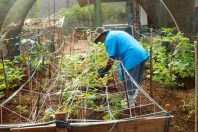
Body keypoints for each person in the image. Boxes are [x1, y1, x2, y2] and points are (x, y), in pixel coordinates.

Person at [94, 28, 150, 107]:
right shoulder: (116, 33)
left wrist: (104, 70)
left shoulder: (109, 38)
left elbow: (111, 58)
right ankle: (132, 100)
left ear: (102, 35)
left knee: (130, 80)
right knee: (135, 80)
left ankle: (130, 104)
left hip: (132, 55)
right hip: (140, 54)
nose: (101, 41)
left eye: (99, 39)